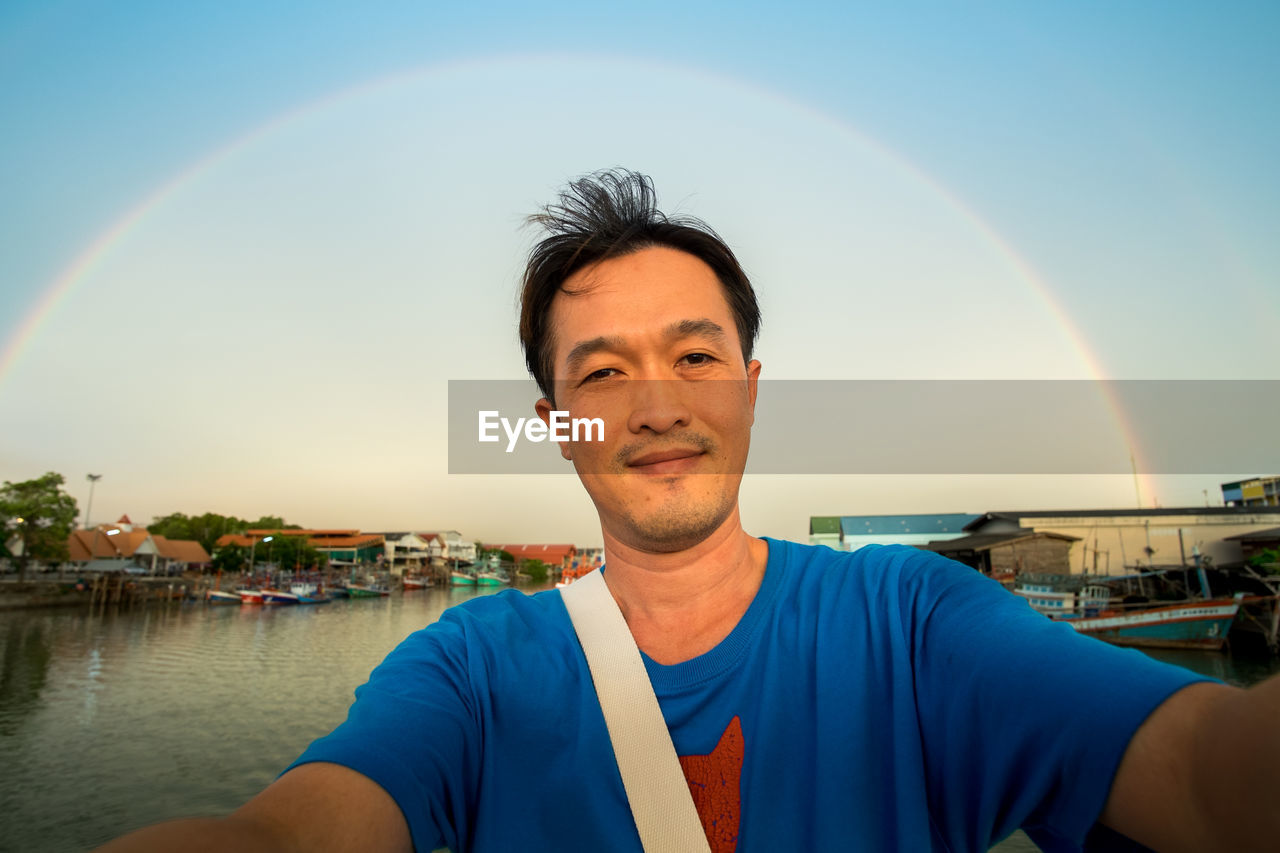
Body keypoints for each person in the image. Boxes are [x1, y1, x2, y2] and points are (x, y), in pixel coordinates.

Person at [100, 170, 1279, 852]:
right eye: (601, 372)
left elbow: (1195, 769)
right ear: (554, 416)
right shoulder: (470, 667)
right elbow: (298, 830)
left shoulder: (912, 619)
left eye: (694, 354)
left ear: (751, 389)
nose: (655, 404)